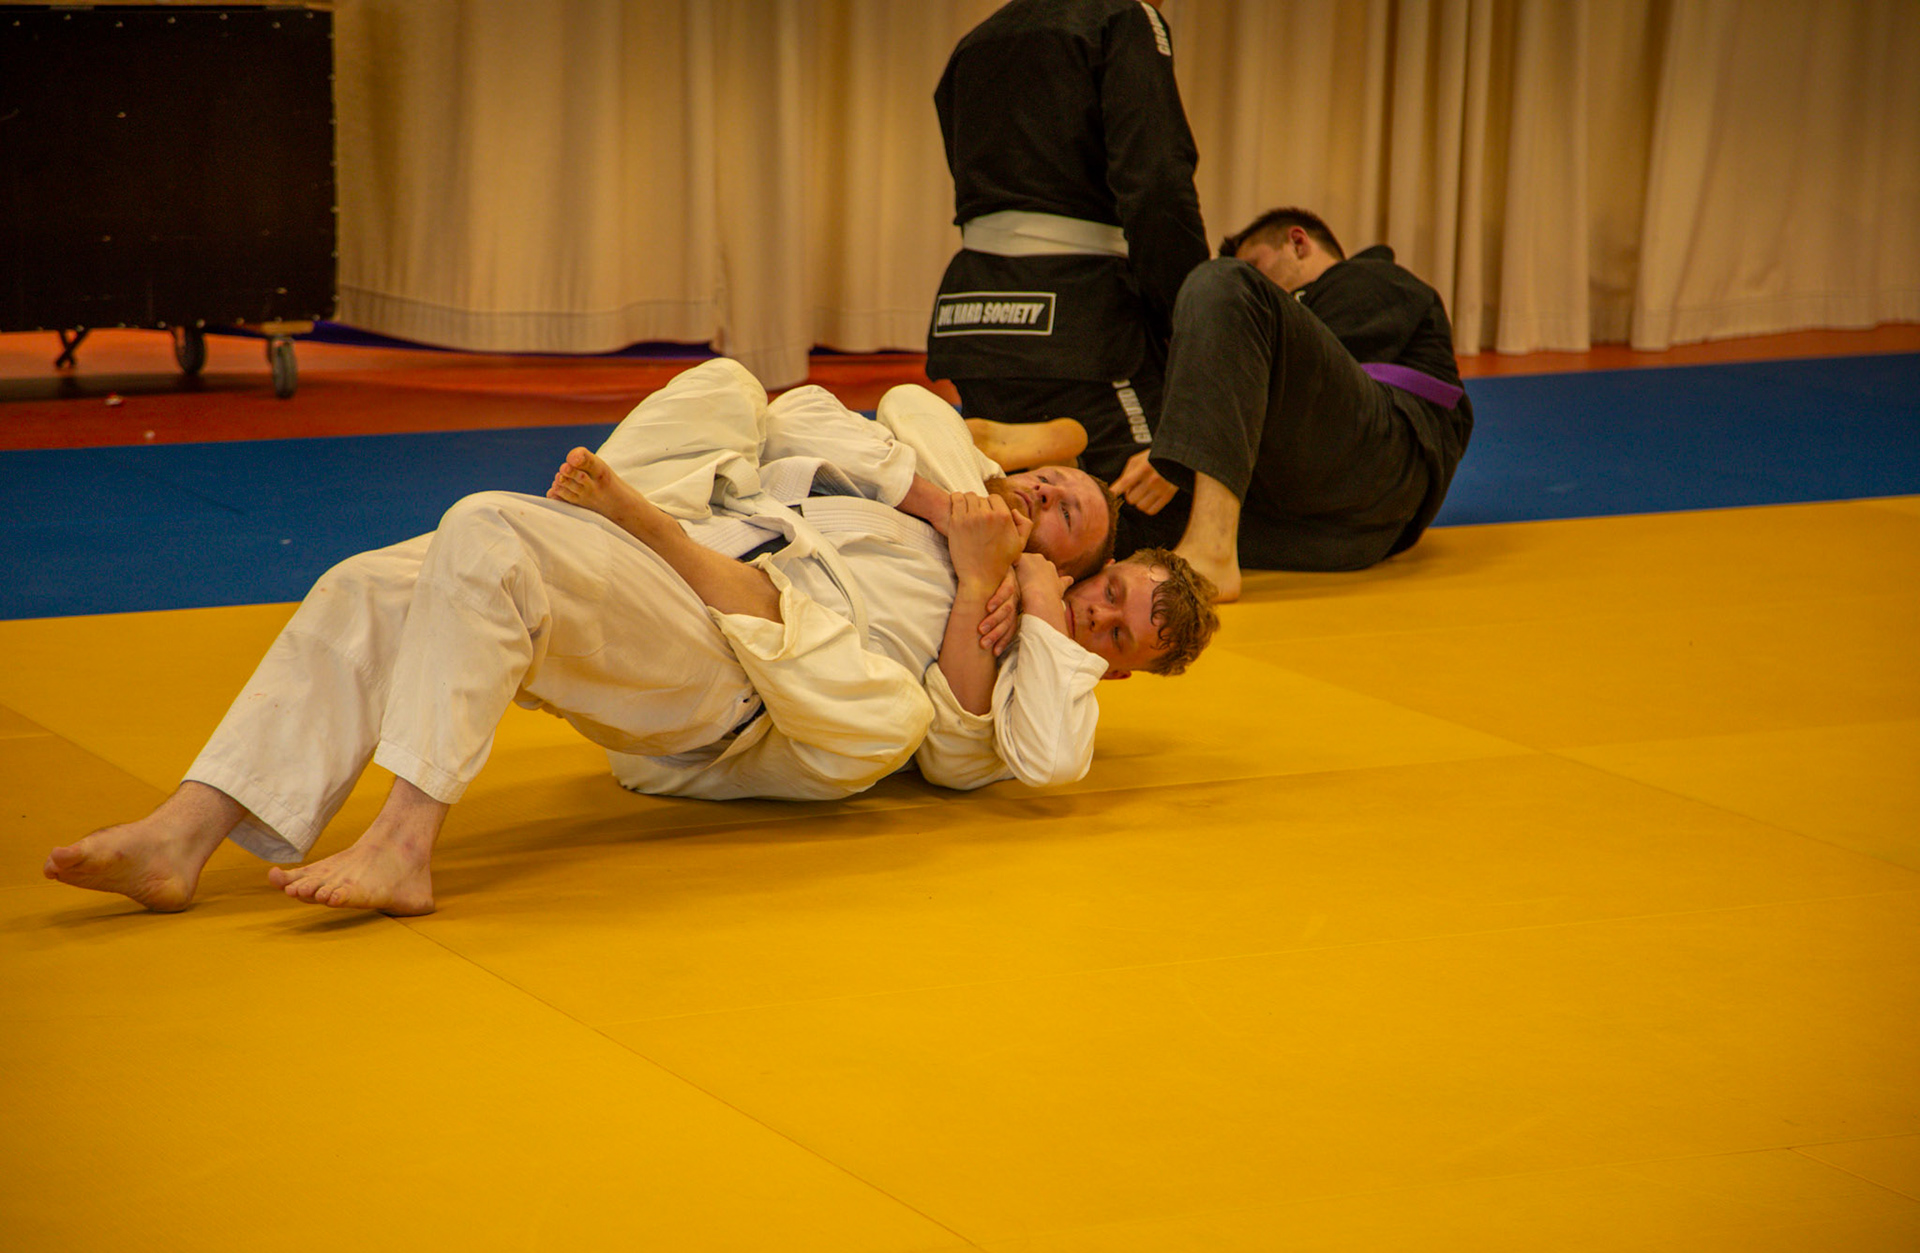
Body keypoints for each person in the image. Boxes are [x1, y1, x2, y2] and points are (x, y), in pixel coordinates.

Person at [44, 360, 1217, 917]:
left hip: (736, 671)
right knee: (372, 581)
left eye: (1072, 519)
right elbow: (819, 413)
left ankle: (404, 843)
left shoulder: (1025, 638)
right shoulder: (945, 487)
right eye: (1053, 489)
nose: (1050, 502)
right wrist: (959, 496)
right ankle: (184, 831)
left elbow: (969, 751)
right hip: (691, 558)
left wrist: (1003, 586)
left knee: (491, 533)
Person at [925, 0, 1209, 555]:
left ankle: (1031, 446)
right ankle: (1058, 446)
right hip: (1077, 318)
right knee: (1170, 506)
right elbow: (1157, 185)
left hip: (972, 315)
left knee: (1011, 509)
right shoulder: (1124, 17)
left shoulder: (975, 42)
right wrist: (1188, 321)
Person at [1140, 207, 1477, 600]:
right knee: (1133, 511)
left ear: (1298, 243)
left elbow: (1283, 383)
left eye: (1257, 264)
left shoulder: (1371, 277)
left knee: (1221, 282)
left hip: (1384, 469)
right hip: (1339, 538)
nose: (1258, 280)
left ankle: (1211, 549)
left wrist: (1191, 439)